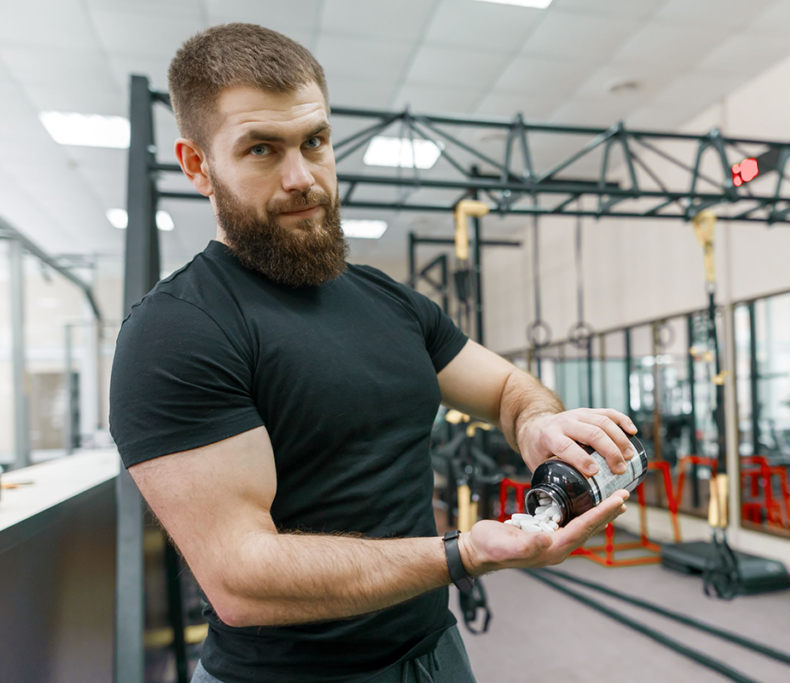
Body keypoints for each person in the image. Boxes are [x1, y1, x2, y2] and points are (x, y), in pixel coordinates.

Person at [108, 24, 637, 683]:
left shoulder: (387, 300)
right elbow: (242, 581)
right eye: (263, 149)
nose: (303, 177)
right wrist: (463, 553)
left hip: (434, 655)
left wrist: (537, 421)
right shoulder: (179, 330)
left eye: (315, 142)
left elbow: (506, 389)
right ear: (197, 166)